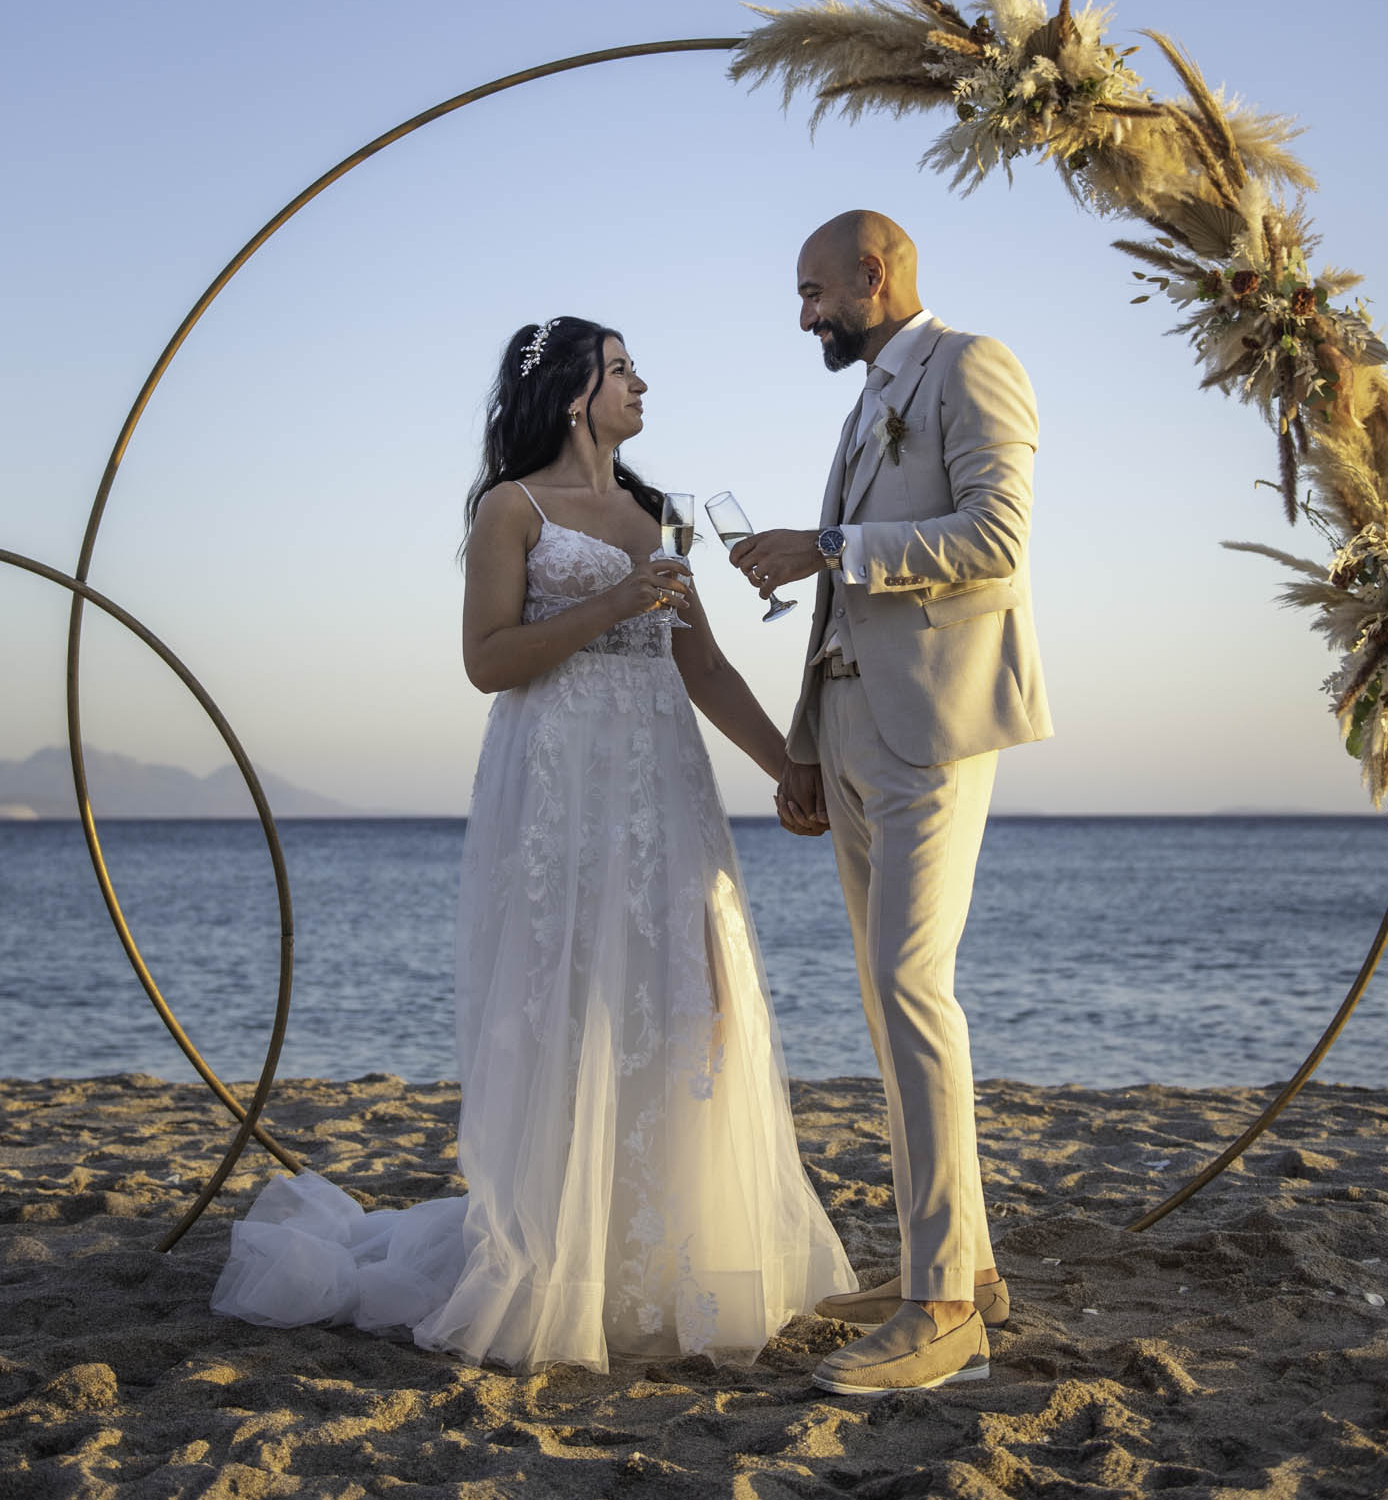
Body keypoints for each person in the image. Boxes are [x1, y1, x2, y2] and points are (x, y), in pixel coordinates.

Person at [211, 315, 855, 1372]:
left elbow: (705, 671)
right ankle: (562, 1254)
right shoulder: (510, 510)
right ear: (570, 394)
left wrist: (788, 764)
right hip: (561, 788)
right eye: (619, 369)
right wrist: (610, 601)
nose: (641, 382)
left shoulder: (661, 514)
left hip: (663, 781)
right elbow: (486, 659)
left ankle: (675, 1251)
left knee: (696, 997)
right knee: (567, 996)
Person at [731, 211, 1052, 1395]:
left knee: (915, 988)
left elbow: (997, 539)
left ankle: (939, 1312)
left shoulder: (972, 364)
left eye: (813, 290)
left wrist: (826, 541)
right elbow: (829, 612)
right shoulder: (864, 398)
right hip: (853, 725)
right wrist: (804, 751)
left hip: (933, 729)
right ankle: (960, 1264)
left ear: (874, 274)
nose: (803, 313)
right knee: (882, 998)